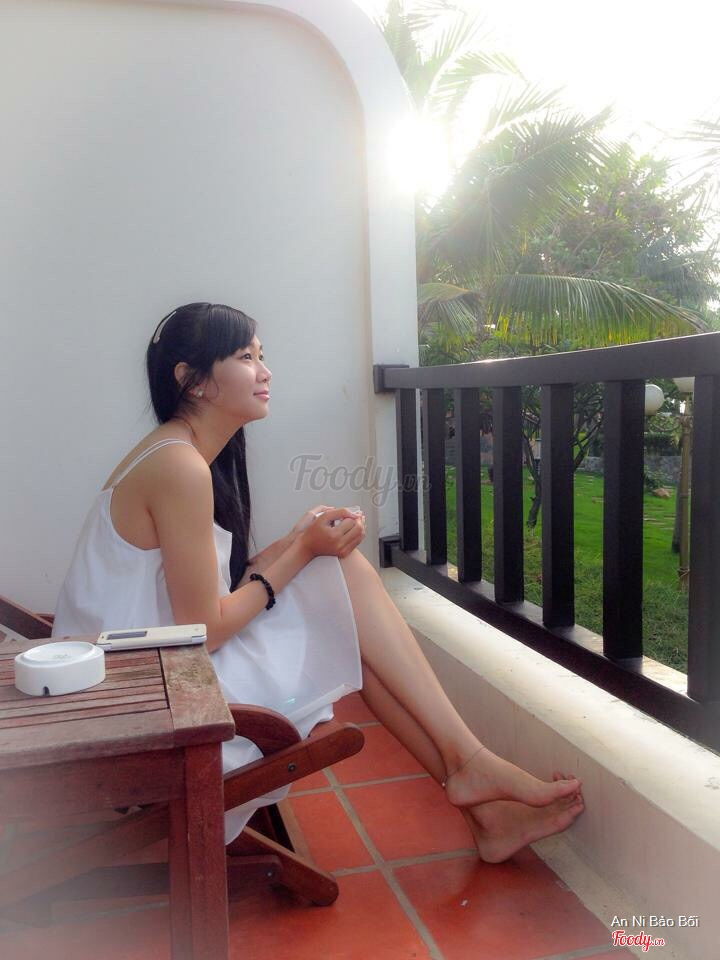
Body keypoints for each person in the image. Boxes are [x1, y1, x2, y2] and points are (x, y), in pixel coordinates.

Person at [52, 302, 584, 862]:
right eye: (245, 357)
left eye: (262, 355)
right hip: (151, 703)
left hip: (142, 676)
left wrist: (297, 541)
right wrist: (304, 549)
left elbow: (202, 595)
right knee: (341, 585)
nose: (265, 371)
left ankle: (477, 792)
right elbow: (204, 629)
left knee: (338, 598)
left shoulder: (177, 454)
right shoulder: (180, 467)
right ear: (192, 379)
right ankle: (470, 767)